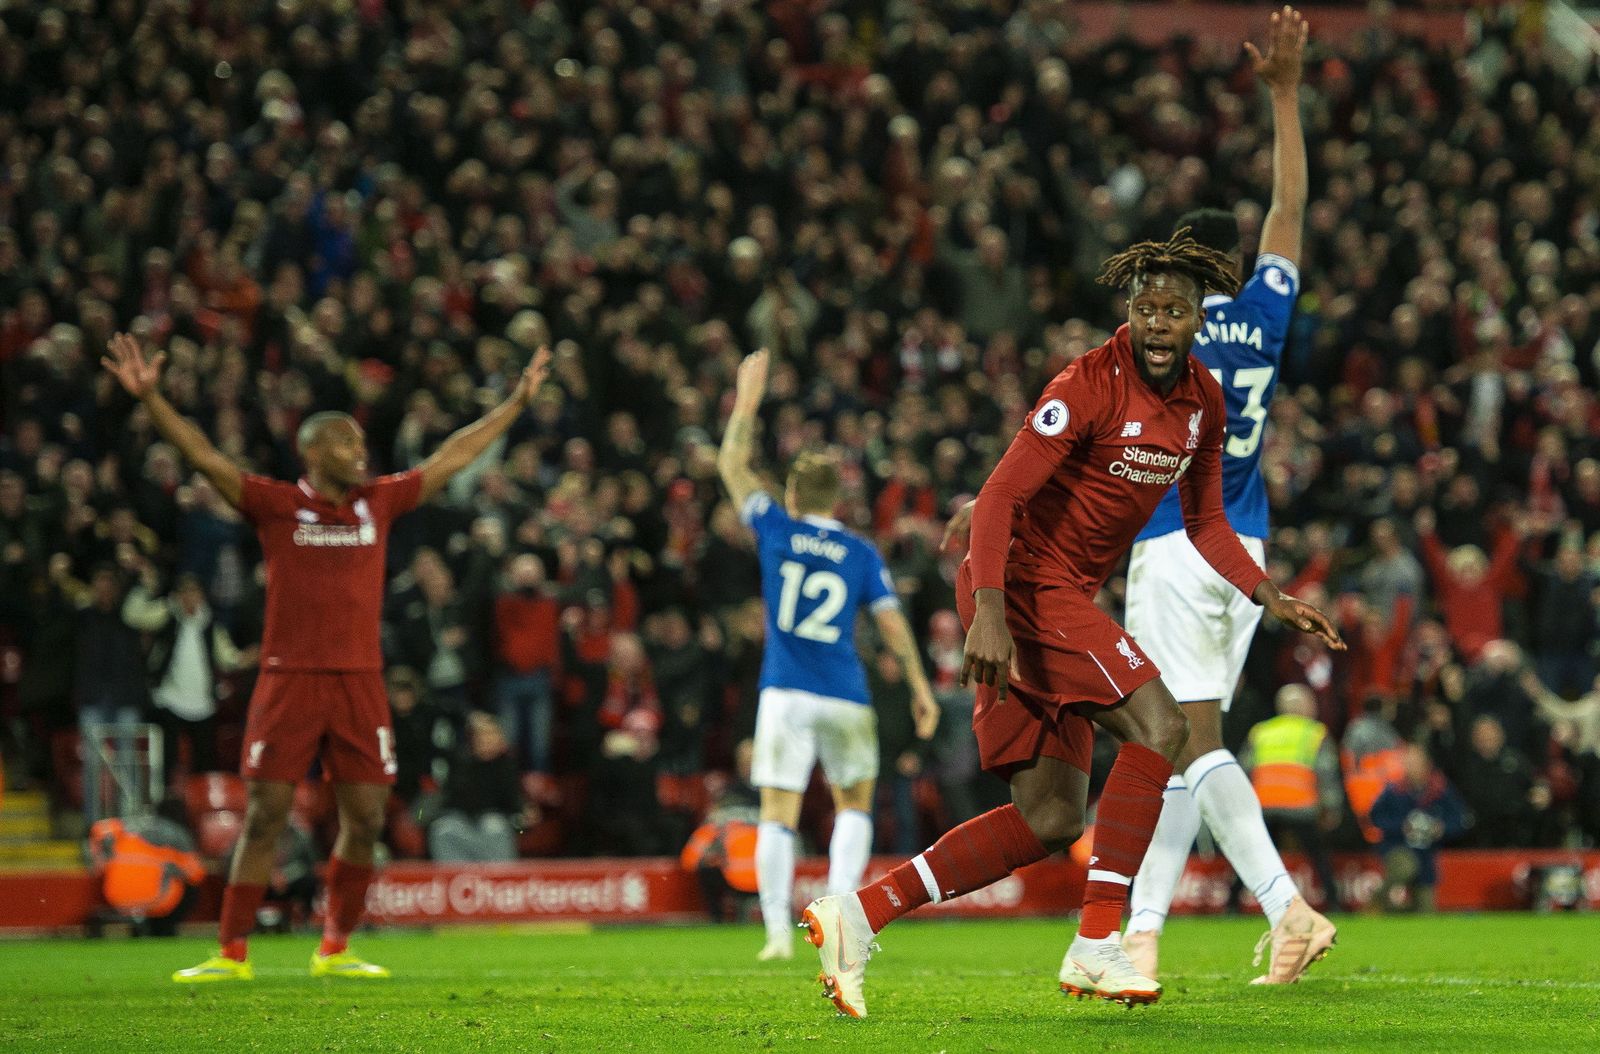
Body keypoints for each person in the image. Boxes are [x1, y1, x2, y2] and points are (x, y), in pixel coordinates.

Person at [804, 228, 1343, 1017]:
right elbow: (999, 498)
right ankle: (1098, 942)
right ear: (1128, 309)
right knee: (1162, 726)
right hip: (1020, 590)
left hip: (1062, 598)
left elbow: (1208, 523)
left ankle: (856, 915)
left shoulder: (1204, 401)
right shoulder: (1088, 383)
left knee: (1052, 817)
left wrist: (1270, 596)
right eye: (1145, 306)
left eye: (1174, 310)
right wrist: (989, 614)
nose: (1157, 322)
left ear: (1200, 320)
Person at [100, 332, 550, 983]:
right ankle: (230, 954)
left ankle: (335, 946)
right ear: (312, 450)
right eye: (346, 443)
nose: (359, 452)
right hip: (288, 681)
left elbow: (455, 455)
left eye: (362, 444)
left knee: (366, 817)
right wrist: (151, 399)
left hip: (360, 682)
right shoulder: (277, 505)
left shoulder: (379, 504)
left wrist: (514, 404)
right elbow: (201, 454)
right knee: (266, 817)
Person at [1113, 8, 1338, 987]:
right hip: (1244, 544)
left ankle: (1289, 910)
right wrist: (1285, 98)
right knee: (1169, 747)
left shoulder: (1163, 345)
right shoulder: (1262, 313)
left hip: (1177, 544)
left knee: (1184, 743)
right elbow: (1288, 210)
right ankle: (1144, 928)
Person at [716, 348, 939, 963]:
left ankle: (774, 935)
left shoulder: (776, 528)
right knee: (854, 804)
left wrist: (749, 396)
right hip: (845, 691)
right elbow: (892, 627)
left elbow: (731, 463)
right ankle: (840, 913)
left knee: (777, 812)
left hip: (784, 691)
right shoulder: (862, 553)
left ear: (791, 493)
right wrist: (920, 686)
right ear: (838, 499)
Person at [1238, 685, 1344, 917]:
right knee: (1318, 856)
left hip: (1264, 805)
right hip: (1300, 806)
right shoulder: (1314, 732)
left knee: (1253, 855)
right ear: (1304, 706)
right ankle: (1334, 902)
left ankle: (1231, 902)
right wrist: (1332, 808)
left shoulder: (1261, 731)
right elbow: (1326, 772)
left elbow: (1243, 769)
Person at [1369, 743, 1469, 912]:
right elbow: (1375, 817)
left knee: (1425, 911)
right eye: (1408, 762)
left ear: (1426, 765)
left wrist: (1442, 828)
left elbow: (1460, 819)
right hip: (1397, 848)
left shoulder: (1440, 790)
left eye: (1415, 762)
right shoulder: (1394, 791)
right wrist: (1401, 826)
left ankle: (1387, 908)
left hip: (1426, 855)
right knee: (1406, 866)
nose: (1410, 766)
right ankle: (1378, 899)